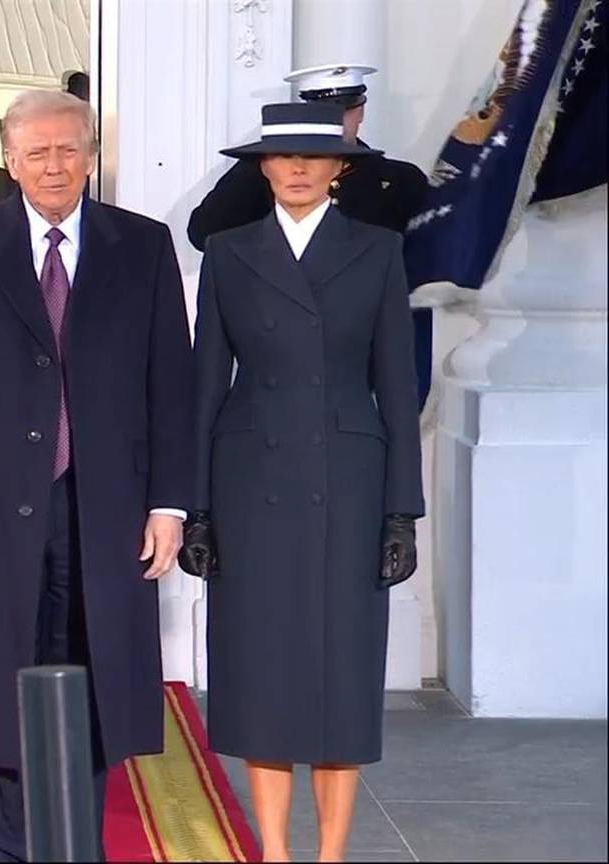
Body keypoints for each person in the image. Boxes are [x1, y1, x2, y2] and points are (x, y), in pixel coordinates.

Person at [0, 89, 194, 862]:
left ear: (91, 155)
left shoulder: (144, 246)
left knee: (93, 683)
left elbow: (173, 384)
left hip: (105, 509)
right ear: (7, 157)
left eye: (69, 149)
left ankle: (71, 844)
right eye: (37, 151)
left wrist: (170, 503)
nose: (54, 165)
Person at [179, 102, 423, 863]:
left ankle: (332, 856)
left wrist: (401, 514)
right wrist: (198, 510)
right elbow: (204, 385)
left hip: (349, 485)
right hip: (249, 483)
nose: (294, 170)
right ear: (261, 166)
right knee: (264, 676)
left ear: (340, 167)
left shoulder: (378, 251)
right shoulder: (227, 251)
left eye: (311, 159)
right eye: (280, 157)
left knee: (342, 677)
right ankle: (277, 854)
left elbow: (397, 386)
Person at [185, 64, 434, 403]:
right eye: (324, 112)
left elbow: (423, 269)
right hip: (284, 347)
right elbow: (204, 232)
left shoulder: (399, 182)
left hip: (363, 351)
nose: (337, 121)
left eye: (346, 110)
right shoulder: (268, 172)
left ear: (360, 111)